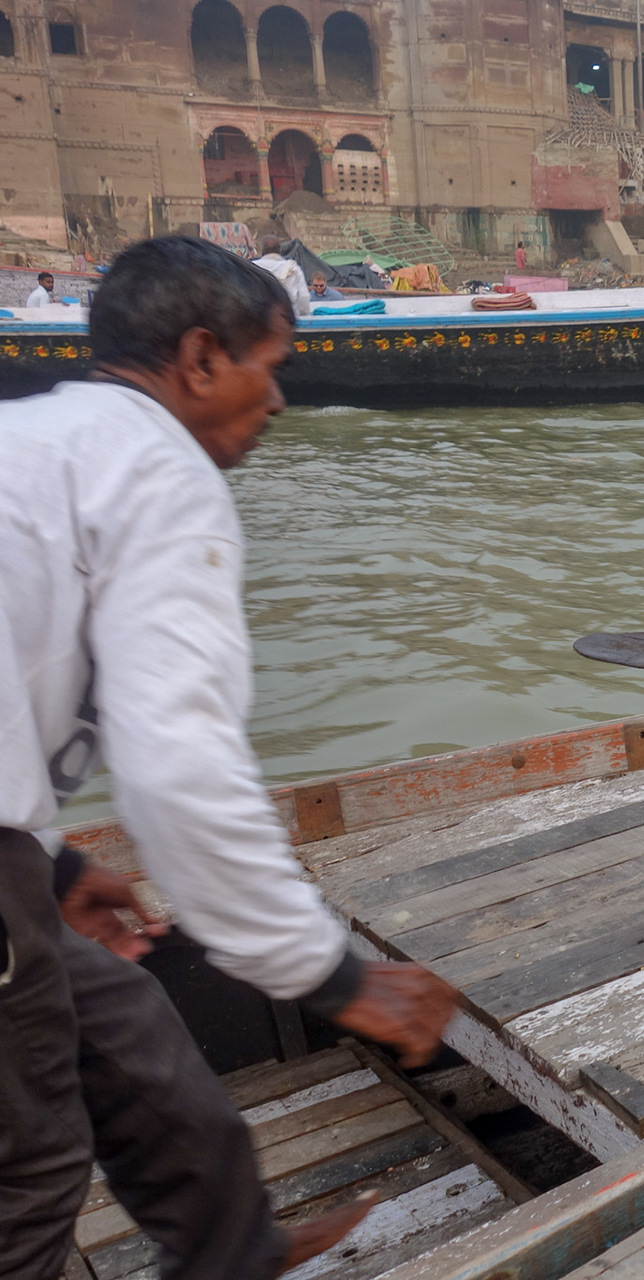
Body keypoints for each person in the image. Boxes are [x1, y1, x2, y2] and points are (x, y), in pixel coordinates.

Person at [0, 236, 459, 1280]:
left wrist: (56, 868)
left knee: (112, 1012)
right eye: (274, 365)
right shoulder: (156, 465)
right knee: (26, 1171)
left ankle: (229, 1251)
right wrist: (332, 973)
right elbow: (181, 767)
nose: (280, 400)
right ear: (202, 359)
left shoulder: (37, 440)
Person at [251, 236, 311, 317]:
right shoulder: (293, 267)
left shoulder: (252, 267)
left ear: (262, 250)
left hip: (259, 319)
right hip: (287, 320)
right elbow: (303, 297)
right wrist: (304, 315)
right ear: (279, 250)